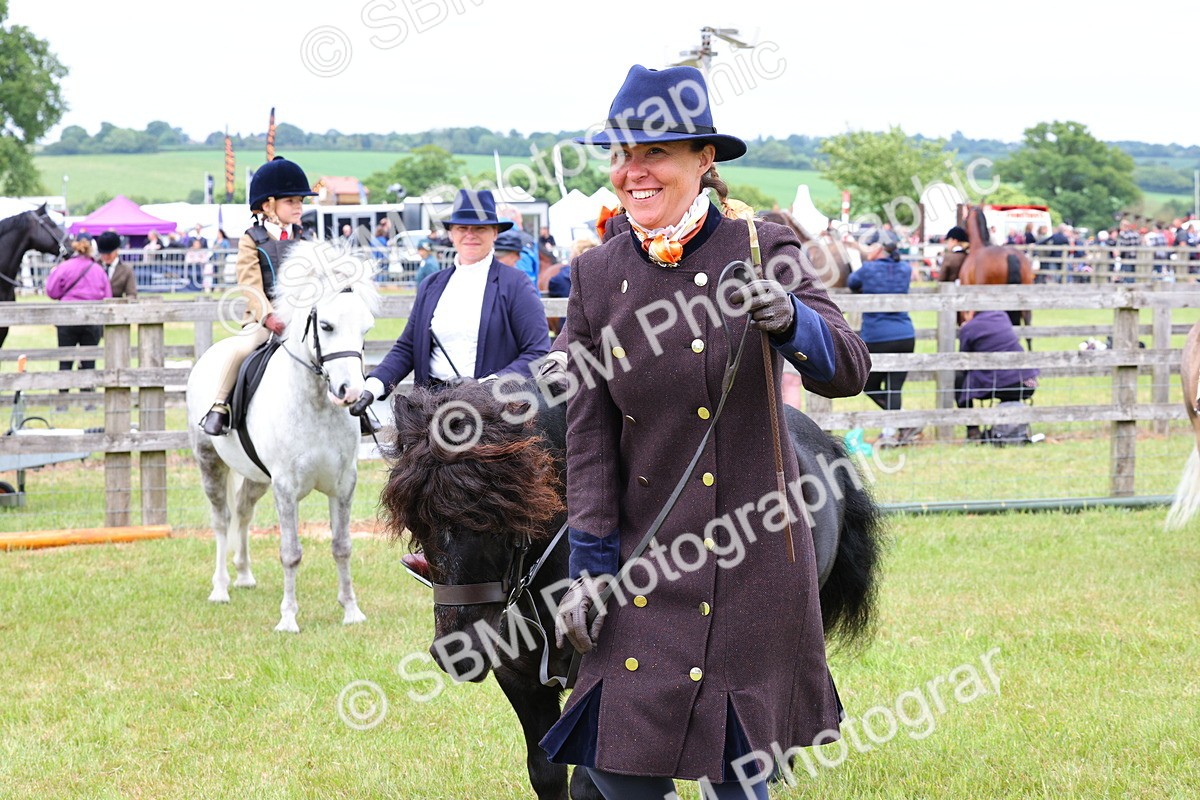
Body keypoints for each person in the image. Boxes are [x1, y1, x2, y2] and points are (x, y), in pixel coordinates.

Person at [540, 65, 870, 800]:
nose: (634, 171)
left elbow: (849, 367)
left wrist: (793, 319)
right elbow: (588, 442)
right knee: (616, 769)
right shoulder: (594, 277)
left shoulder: (763, 245)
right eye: (622, 154)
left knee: (738, 783)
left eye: (655, 153)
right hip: (642, 570)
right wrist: (588, 568)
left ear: (704, 158)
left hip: (752, 564)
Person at [348, 189, 550, 414]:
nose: (470, 235)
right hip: (432, 406)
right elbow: (407, 347)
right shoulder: (431, 285)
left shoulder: (516, 284)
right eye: (462, 228)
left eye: (480, 228)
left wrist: (492, 385)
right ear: (451, 233)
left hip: (491, 411)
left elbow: (538, 351)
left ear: (494, 233)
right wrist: (373, 385)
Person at [198, 156, 316, 436]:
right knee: (243, 348)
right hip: (264, 319)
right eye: (291, 201)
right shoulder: (251, 239)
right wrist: (268, 316)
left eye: (300, 201)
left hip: (301, 318)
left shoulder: (305, 237)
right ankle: (220, 405)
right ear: (268, 205)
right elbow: (250, 284)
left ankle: (356, 407)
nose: (298, 206)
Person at [848, 228, 918, 446]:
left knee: (867, 383)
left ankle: (892, 431)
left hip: (877, 336)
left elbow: (852, 282)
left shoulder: (868, 269)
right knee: (894, 387)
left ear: (878, 248)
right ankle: (898, 426)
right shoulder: (905, 269)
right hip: (905, 334)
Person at [46, 237, 112, 406]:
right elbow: (108, 296)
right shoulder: (98, 270)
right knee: (89, 361)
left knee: (65, 359)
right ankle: (88, 400)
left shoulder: (64, 267)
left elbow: (52, 291)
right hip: (92, 319)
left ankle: (62, 401)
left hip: (67, 318)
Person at [956, 309, 1039, 441]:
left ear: (967, 312)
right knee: (1006, 380)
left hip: (1000, 384)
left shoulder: (968, 328)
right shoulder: (1001, 315)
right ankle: (1009, 431)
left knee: (958, 379)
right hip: (1029, 382)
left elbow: (964, 361)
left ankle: (973, 430)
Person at [95, 231, 136, 298]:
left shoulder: (126, 270)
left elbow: (131, 294)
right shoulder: (94, 267)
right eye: (103, 253)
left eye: (109, 254)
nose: (106, 256)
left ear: (117, 250)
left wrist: (124, 302)